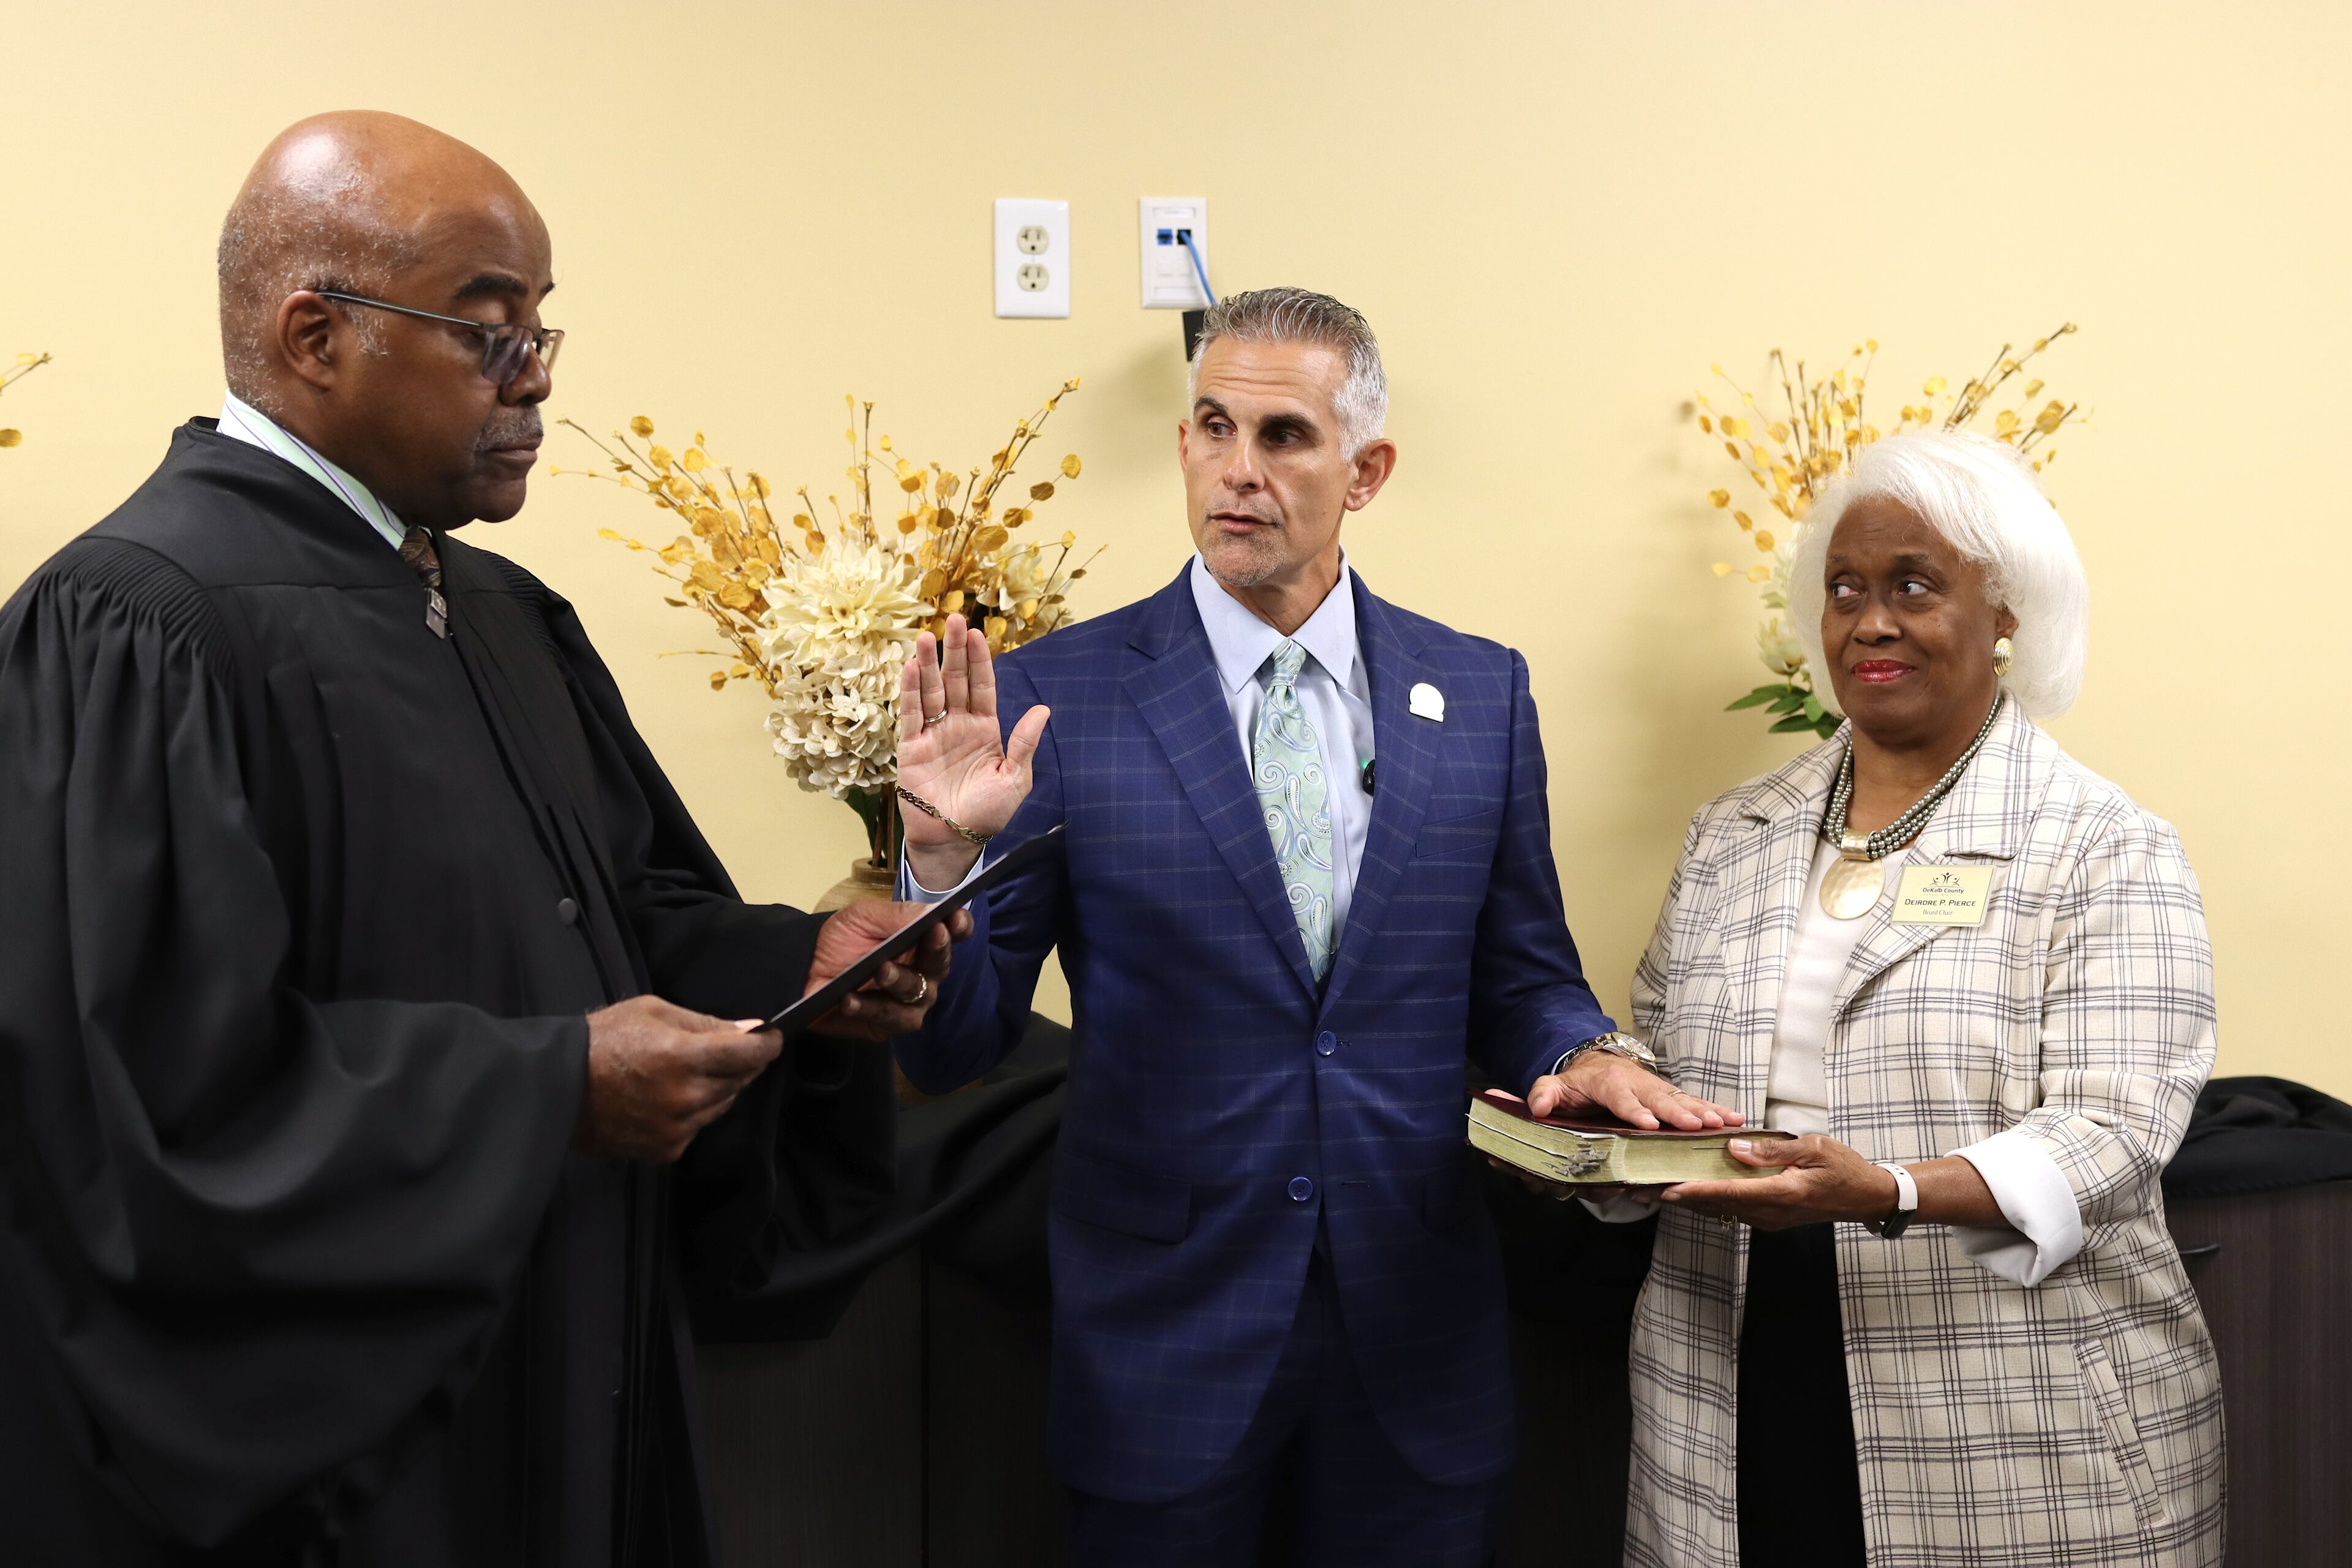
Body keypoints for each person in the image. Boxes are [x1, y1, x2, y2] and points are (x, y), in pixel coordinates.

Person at [0, 111, 962, 1565]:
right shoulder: (141, 625)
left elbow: (623, 907)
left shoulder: (505, 614)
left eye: (546, 328)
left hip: (576, 1342)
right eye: (488, 331)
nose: (540, 380)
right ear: (314, 334)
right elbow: (126, 1094)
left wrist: (804, 964)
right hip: (355, 1463)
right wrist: (547, 1090)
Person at [885, 287, 1736, 1567]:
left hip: (1416, 1341)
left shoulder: (1483, 693)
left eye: (1283, 435)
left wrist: (1583, 1054)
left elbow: (1523, 974)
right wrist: (940, 864)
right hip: (1163, 1349)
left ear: (1367, 468)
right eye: (1212, 426)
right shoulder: (1055, 700)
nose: (1237, 469)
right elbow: (954, 1044)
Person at [1616, 430, 2223, 1566]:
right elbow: (1656, 1048)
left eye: (1913, 586)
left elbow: (2119, 1130)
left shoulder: (2104, 846)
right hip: (1729, 1369)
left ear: (2006, 610)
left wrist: (1887, 1189)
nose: (1872, 620)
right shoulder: (1730, 836)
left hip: (2011, 1397)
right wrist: (1600, 1115)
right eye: (1846, 589)